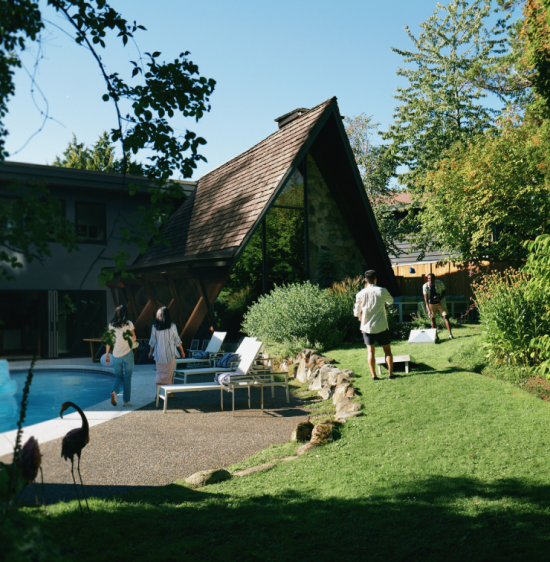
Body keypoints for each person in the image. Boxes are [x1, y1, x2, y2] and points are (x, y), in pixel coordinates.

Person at [354, 269, 395, 380]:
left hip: (367, 326)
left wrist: (360, 317)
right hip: (381, 325)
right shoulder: (382, 291)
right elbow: (391, 301)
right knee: (387, 350)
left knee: (370, 351)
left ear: (365, 280)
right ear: (375, 279)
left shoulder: (360, 293)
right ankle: (390, 374)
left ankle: (374, 376)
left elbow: (356, 311)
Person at [148, 307, 185, 397]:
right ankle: (169, 393)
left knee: (160, 373)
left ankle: (158, 393)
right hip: (170, 354)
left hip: (158, 355)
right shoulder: (172, 326)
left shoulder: (154, 327)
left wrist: (150, 352)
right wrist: (182, 351)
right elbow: (177, 340)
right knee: (169, 374)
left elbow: (152, 341)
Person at [105, 304, 137, 407]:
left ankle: (114, 392)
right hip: (127, 353)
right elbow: (134, 338)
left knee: (118, 376)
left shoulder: (111, 324)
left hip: (116, 354)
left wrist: (106, 354)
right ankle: (126, 401)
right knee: (127, 377)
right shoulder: (129, 323)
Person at [422, 273, 453, 340]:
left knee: (446, 316)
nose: (431, 280)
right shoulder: (425, 286)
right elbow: (425, 299)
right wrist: (428, 310)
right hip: (431, 304)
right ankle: (435, 336)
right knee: (432, 318)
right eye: (429, 278)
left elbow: (444, 291)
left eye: (432, 278)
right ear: (427, 279)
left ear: (434, 278)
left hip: (441, 302)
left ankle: (450, 334)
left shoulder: (440, 283)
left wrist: (440, 297)